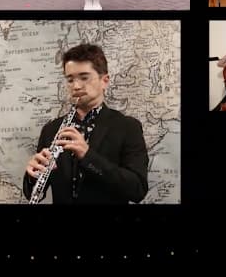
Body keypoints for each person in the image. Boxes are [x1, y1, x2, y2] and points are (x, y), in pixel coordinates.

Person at [22, 43, 149, 205]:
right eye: (70, 79)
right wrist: (33, 176)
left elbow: (137, 190)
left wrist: (88, 156)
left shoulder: (128, 127)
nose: (76, 86)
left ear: (105, 81)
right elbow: (33, 194)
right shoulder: (51, 130)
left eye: (84, 77)